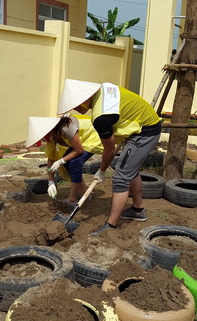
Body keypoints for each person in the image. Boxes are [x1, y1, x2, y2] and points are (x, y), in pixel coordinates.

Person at [56, 79, 162, 236]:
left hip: (145, 131)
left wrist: (101, 170)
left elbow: (110, 150)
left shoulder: (101, 117)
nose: (77, 109)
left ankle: (110, 225)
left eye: (76, 104)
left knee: (120, 177)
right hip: (140, 124)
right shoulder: (104, 88)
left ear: (85, 97)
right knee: (129, 169)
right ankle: (138, 210)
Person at [25, 115, 103, 206]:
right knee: (68, 163)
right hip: (82, 140)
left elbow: (79, 150)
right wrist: (51, 182)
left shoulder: (66, 128)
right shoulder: (53, 137)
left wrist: (61, 161)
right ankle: (85, 193)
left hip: (93, 136)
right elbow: (51, 158)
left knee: (74, 163)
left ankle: (72, 199)